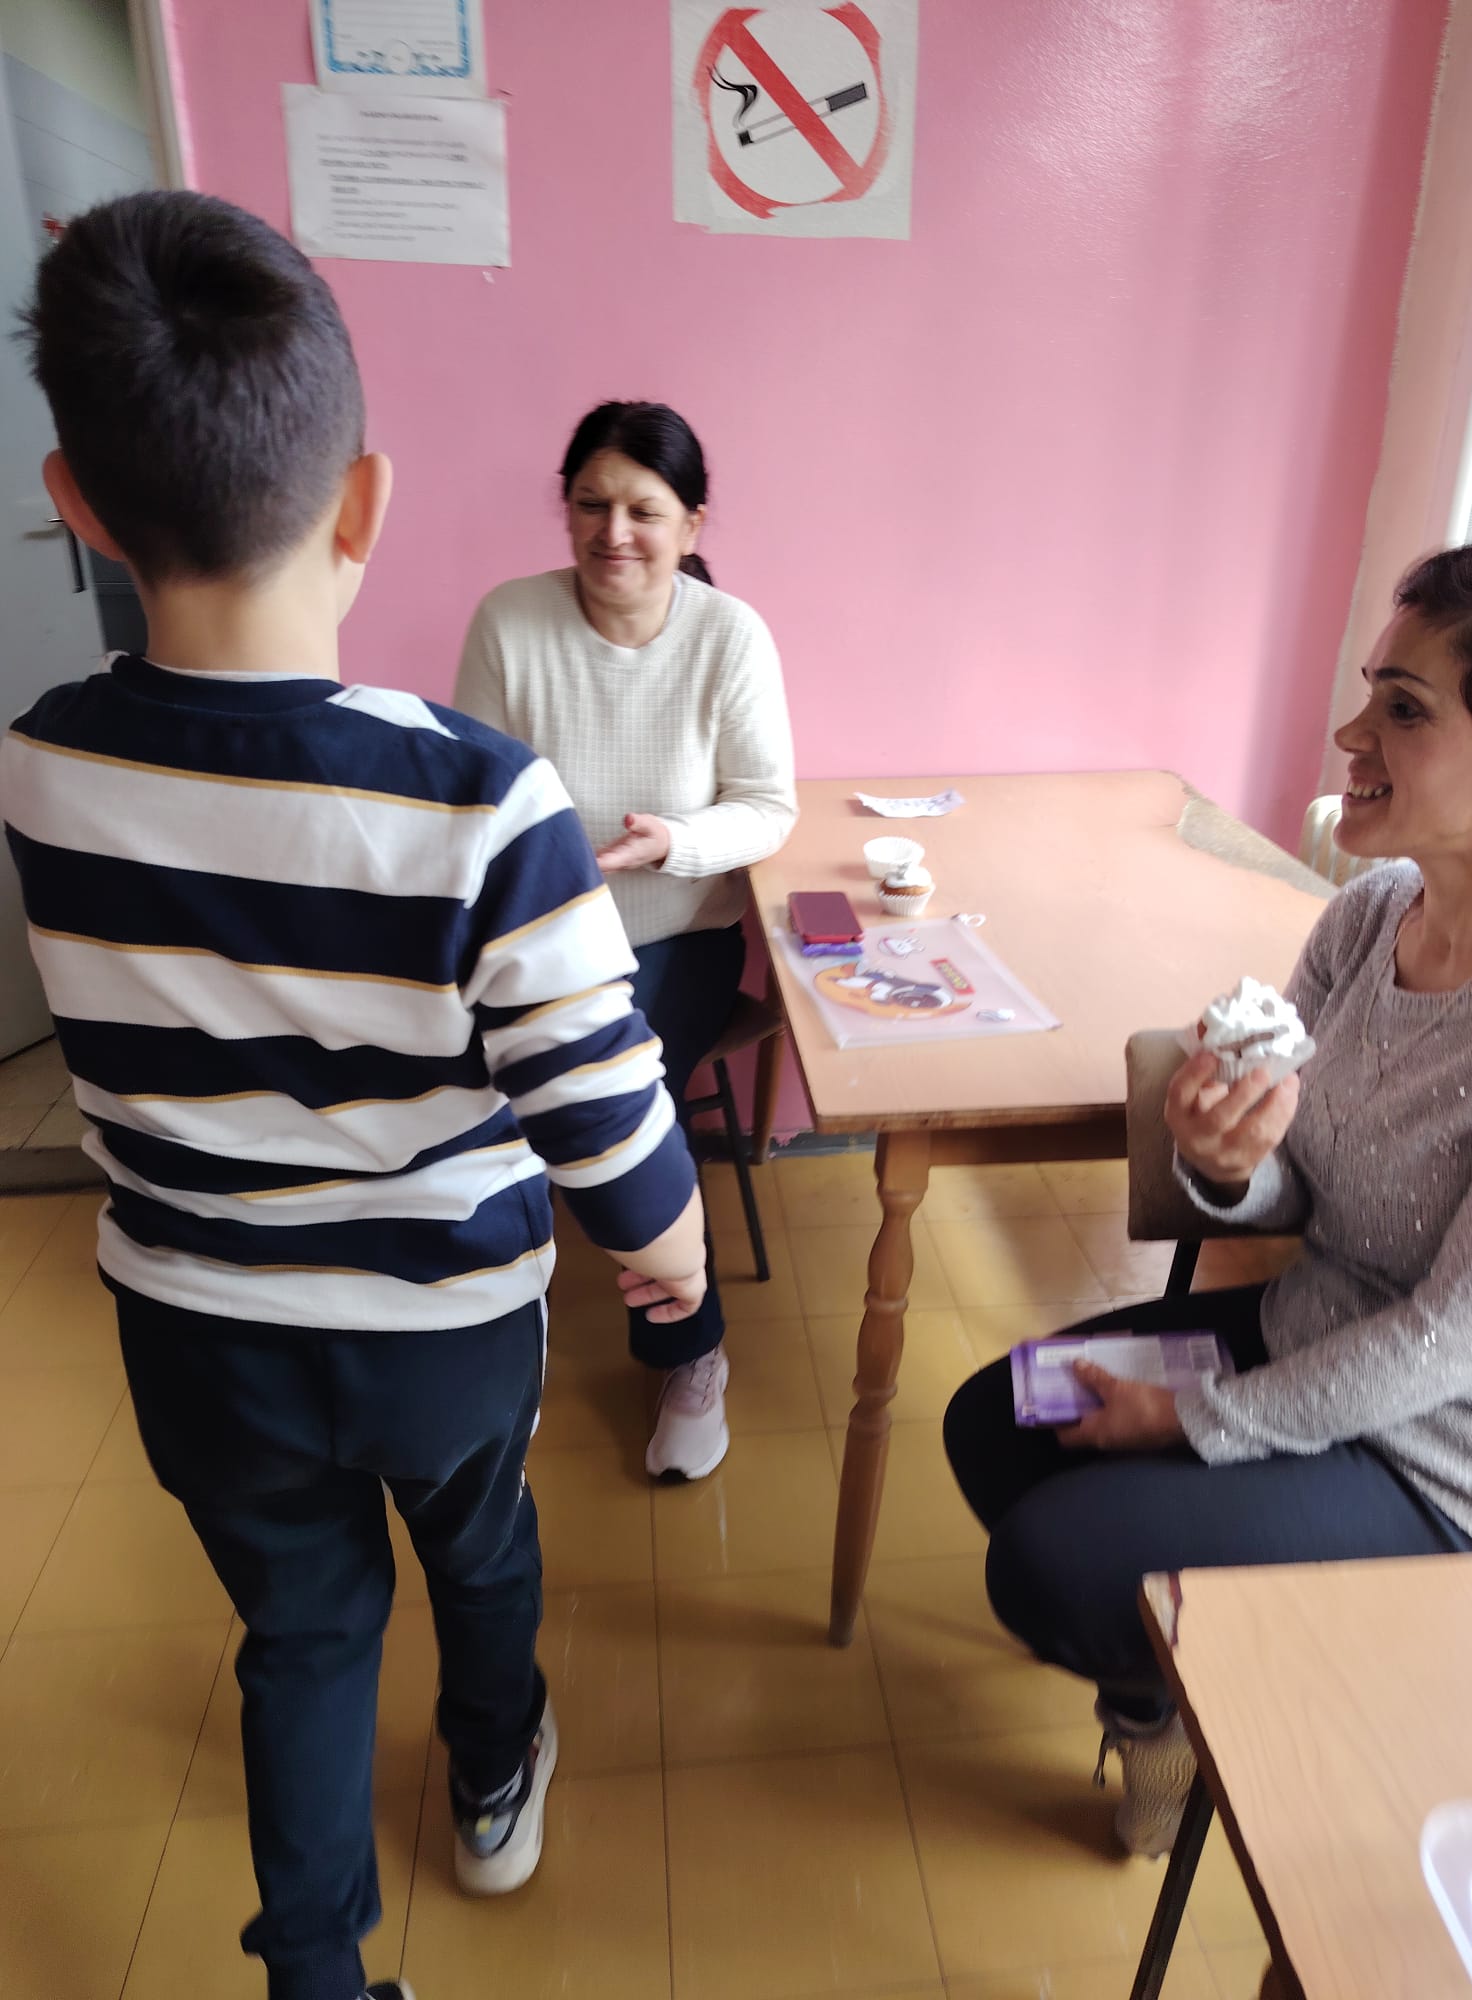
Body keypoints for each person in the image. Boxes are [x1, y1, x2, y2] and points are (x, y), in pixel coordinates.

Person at [1, 193, 707, 2000]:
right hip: (438, 1326)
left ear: (78, 504)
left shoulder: (42, 763)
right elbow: (603, 1113)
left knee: (302, 1630)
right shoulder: (480, 800)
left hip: (195, 1327)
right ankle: (492, 1773)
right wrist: (674, 1253)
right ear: (364, 504)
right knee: (480, 1549)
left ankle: (314, 1971)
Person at [944, 544, 1472, 1862]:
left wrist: (1196, 1420)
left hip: (1442, 1460)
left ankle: (1197, 1712)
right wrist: (1225, 1158)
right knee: (995, 1425)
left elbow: (1452, 1340)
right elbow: (1291, 1184)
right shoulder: (1369, 916)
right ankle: (1163, 1699)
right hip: (1311, 1330)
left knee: (1052, 1562)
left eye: (1405, 710)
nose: (1352, 735)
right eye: (1370, 693)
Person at [454, 401, 797, 1481]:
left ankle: (690, 1354)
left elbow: (769, 806)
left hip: (675, 939)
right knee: (465, 1103)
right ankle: (494, 1337)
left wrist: (675, 844)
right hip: (532, 938)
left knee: (625, 1107)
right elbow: (474, 799)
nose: (614, 532)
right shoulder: (510, 620)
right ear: (565, 509)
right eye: (591, 504)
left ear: (691, 523)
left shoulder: (729, 635)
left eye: (644, 510)